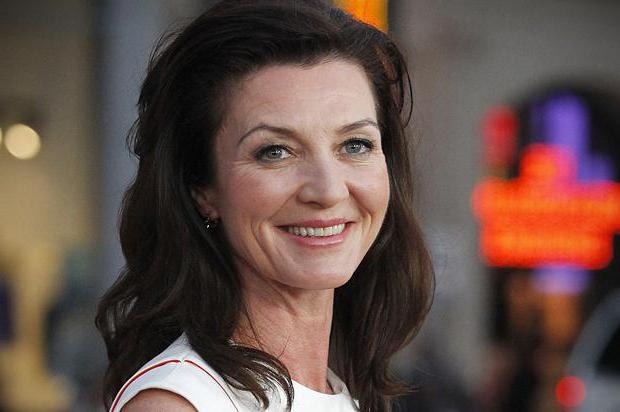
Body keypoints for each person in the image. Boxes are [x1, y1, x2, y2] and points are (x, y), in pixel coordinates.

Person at [95, 0, 434, 411]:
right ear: (202, 188)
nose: (328, 190)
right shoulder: (178, 403)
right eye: (275, 151)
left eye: (355, 145)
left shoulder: (338, 390)